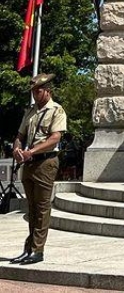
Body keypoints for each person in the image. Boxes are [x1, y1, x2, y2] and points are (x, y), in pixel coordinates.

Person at [9, 73, 67, 266]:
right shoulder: (31, 111)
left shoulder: (56, 110)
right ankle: (28, 249)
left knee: (42, 208)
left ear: (48, 91)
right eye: (33, 91)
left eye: (38, 91)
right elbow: (20, 134)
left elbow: (55, 138)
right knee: (32, 208)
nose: (35, 94)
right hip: (29, 163)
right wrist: (17, 149)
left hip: (45, 162)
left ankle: (37, 250)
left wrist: (31, 151)